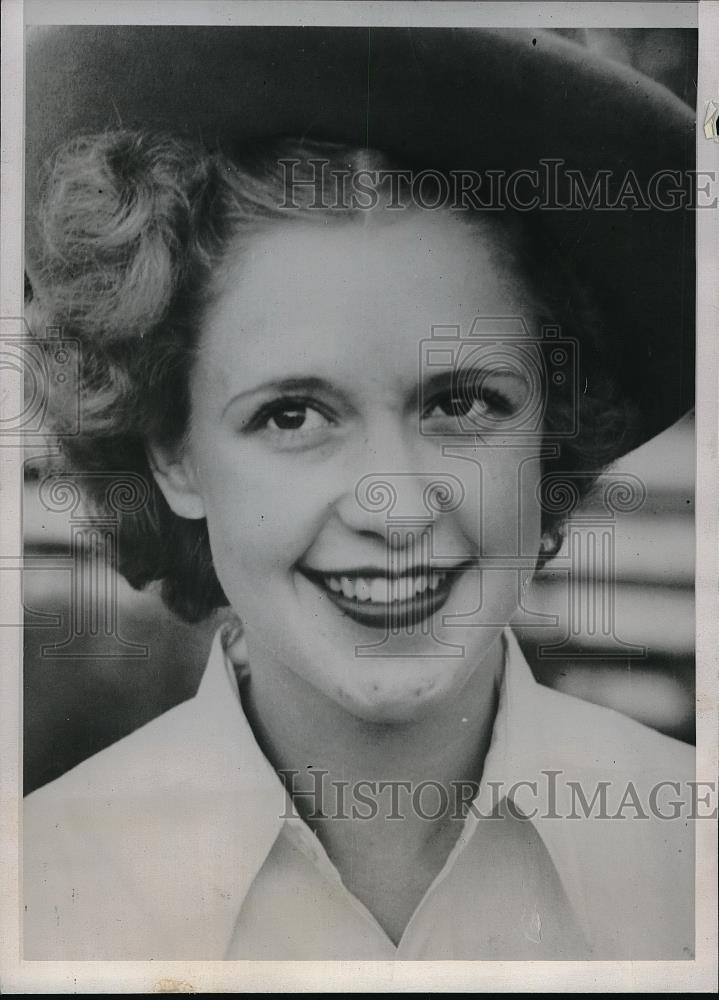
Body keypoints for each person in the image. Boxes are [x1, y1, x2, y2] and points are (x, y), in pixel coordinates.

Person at [22, 27, 695, 961]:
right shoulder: (40, 893)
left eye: (461, 402)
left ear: (551, 423)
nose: (395, 506)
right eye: (293, 415)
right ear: (173, 451)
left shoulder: (686, 863)